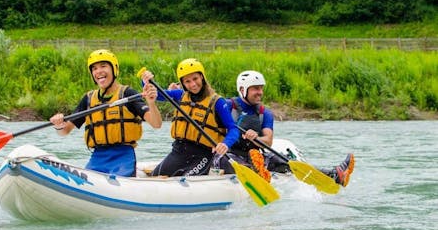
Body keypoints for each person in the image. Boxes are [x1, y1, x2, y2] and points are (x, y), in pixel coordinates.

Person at [217, 70, 355, 187]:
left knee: (286, 162)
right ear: (242, 90)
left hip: (256, 153)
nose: (260, 92)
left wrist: (256, 138)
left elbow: (269, 141)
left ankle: (335, 175)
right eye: (255, 88)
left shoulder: (265, 113)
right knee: (230, 161)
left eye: (261, 88)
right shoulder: (228, 106)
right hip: (229, 153)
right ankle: (256, 173)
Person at [50, 49, 162, 177]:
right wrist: (59, 124)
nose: (98, 71)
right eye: (94, 68)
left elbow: (156, 124)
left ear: (114, 69)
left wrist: (151, 103)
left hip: (123, 157)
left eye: (103, 66)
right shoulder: (88, 99)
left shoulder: (127, 94)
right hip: (97, 158)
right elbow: (64, 131)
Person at [140, 58, 240, 177]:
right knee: (155, 177)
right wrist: (146, 82)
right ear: (182, 83)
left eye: (195, 79)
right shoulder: (180, 95)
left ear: (202, 77)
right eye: (187, 81)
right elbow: (159, 94)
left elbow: (233, 129)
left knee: (186, 179)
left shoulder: (217, 102)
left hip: (204, 154)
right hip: (179, 151)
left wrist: (225, 144)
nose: (193, 84)